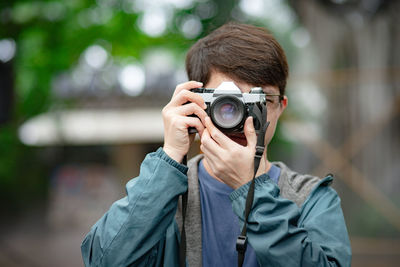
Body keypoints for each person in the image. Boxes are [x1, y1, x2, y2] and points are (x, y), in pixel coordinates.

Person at [81, 22, 352, 267]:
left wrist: (253, 191)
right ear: (195, 102)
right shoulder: (166, 195)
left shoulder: (311, 199)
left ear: (280, 108)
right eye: (227, 102)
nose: (244, 119)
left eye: (259, 103)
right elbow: (102, 262)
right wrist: (170, 157)